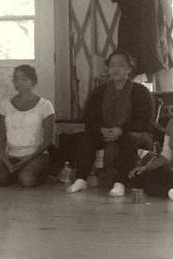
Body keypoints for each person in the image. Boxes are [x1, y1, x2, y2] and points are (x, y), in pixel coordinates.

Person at [61, 52, 159, 195]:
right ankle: (81, 179)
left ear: (129, 69)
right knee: (86, 137)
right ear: (107, 69)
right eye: (112, 65)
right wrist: (101, 129)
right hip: (106, 132)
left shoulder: (140, 92)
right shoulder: (99, 92)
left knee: (127, 139)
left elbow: (145, 120)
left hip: (134, 133)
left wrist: (122, 129)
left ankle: (120, 182)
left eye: (121, 65)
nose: (116, 69)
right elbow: (89, 118)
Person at [0, 65, 58, 187]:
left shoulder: (45, 105)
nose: (19, 82)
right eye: (16, 79)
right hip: (12, 155)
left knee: (27, 180)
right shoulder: (5, 105)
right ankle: (18, 173)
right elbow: (1, 137)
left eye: (24, 79)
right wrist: (5, 159)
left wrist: (27, 160)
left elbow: (48, 140)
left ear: (33, 81)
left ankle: (41, 174)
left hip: (36, 155)